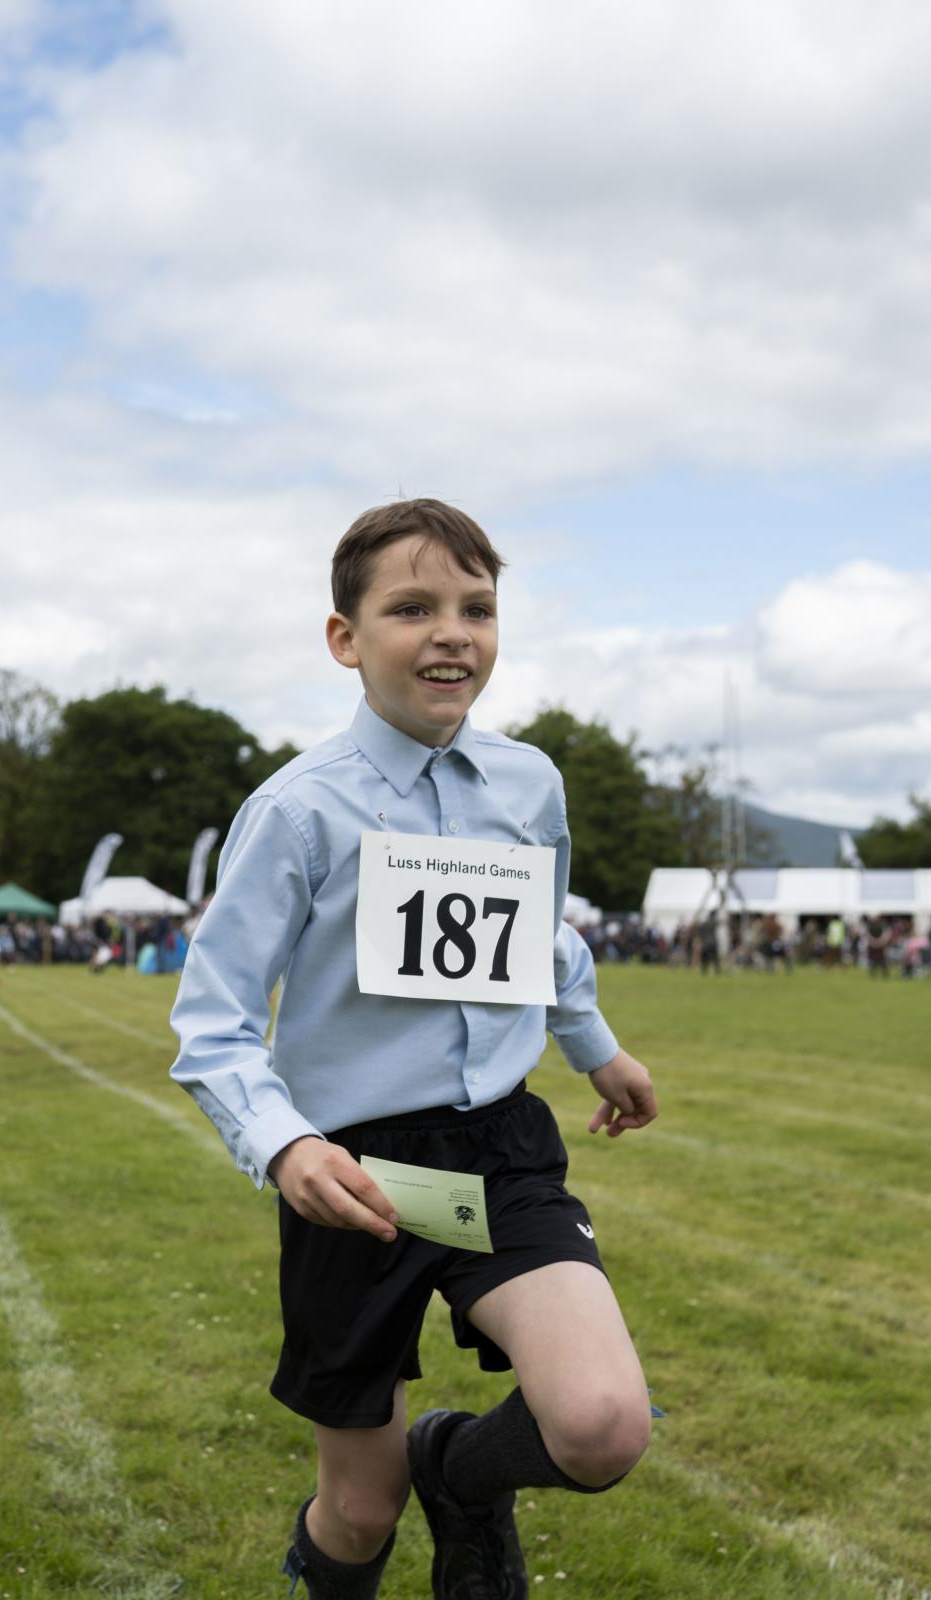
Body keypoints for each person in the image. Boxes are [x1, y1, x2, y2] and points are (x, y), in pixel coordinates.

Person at [168, 499, 660, 1599]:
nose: (452, 632)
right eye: (413, 607)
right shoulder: (299, 812)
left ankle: (463, 1472)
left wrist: (595, 1046)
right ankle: (378, 1517)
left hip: (500, 1152)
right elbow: (212, 1015)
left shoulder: (530, 784)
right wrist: (286, 1146)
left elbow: (543, 938)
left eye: (476, 608)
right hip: (360, 1175)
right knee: (355, 1509)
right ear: (346, 639)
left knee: (602, 1424)